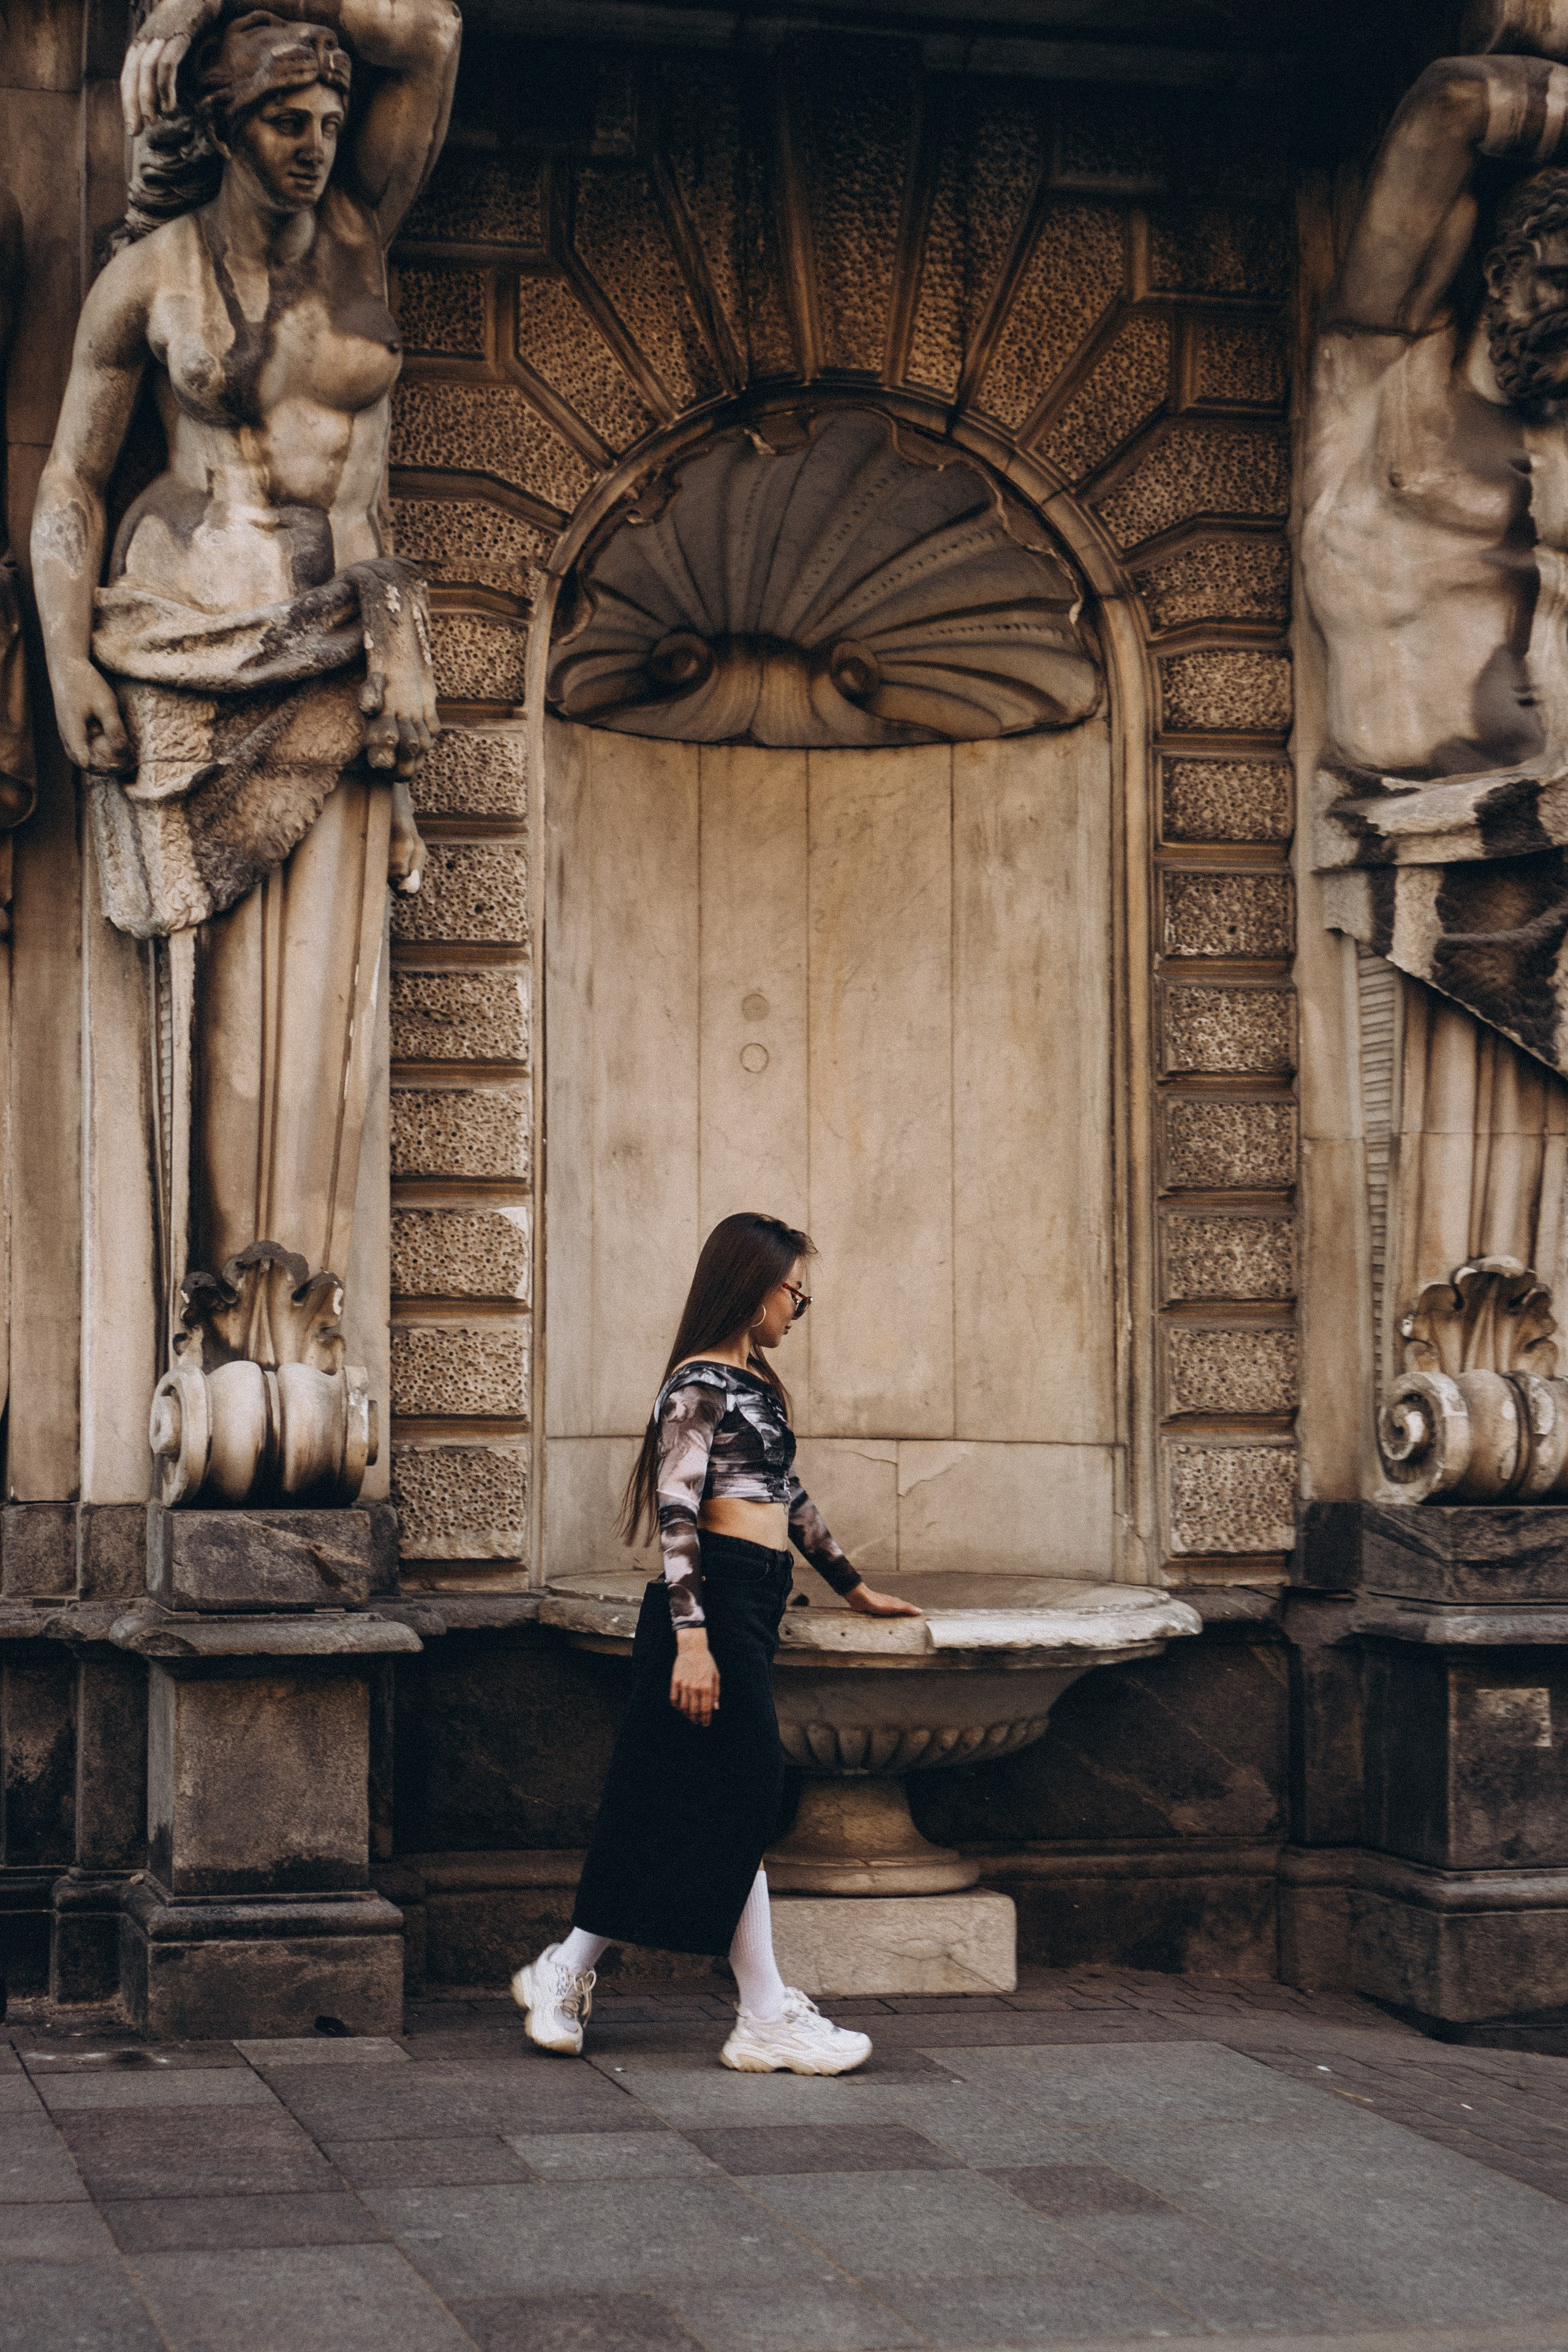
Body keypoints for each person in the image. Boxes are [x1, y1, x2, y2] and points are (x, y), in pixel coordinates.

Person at [513, 1212, 921, 2074]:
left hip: (749, 1602)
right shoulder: (696, 1384)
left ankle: (566, 1968)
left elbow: (786, 1494)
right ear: (750, 1285)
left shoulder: (755, 1386)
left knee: (670, 1802)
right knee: (745, 1790)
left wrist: (851, 1584)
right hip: (709, 1605)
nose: (797, 1305)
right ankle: (764, 2013)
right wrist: (694, 1642)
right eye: (792, 1291)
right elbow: (677, 1511)